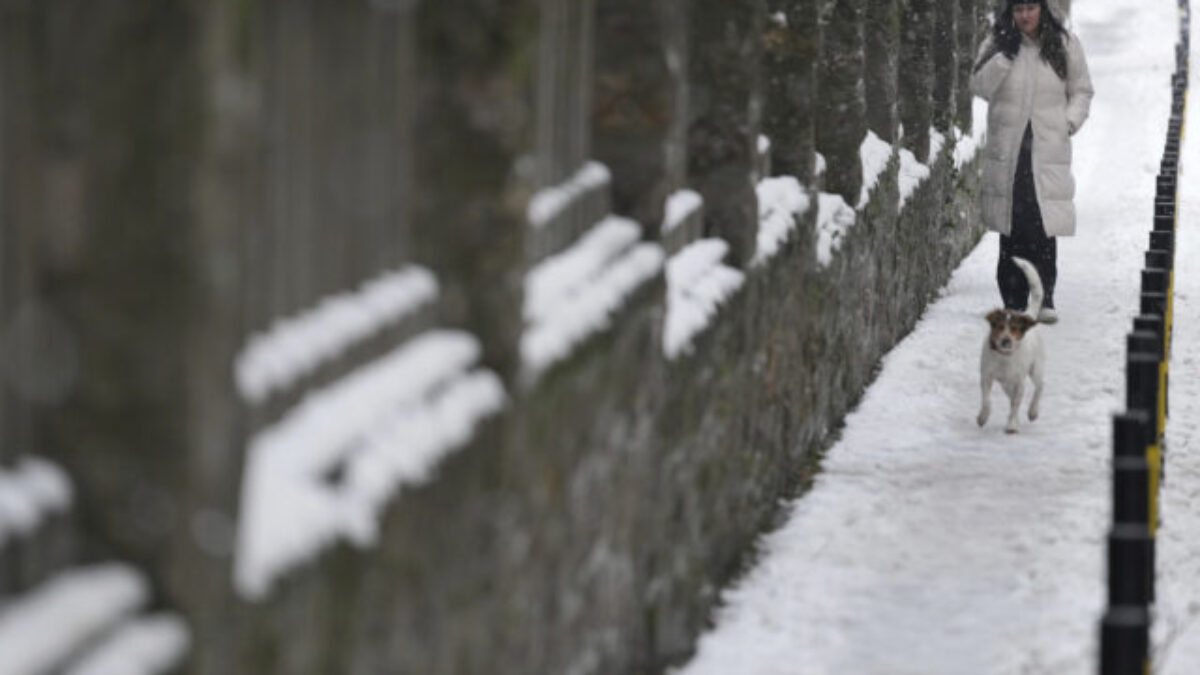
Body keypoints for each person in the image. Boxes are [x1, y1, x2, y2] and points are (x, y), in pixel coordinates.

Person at [971, 0, 1093, 324]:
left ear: (1043, 9)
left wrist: (1068, 123)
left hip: (1046, 149)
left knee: (1042, 223)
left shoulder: (1064, 45)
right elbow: (979, 86)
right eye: (1018, 9)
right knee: (1011, 225)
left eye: (1030, 8)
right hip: (1009, 150)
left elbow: (1081, 90)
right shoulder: (997, 43)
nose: (1025, 16)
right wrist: (1004, 57)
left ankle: (1044, 296)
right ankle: (1012, 299)